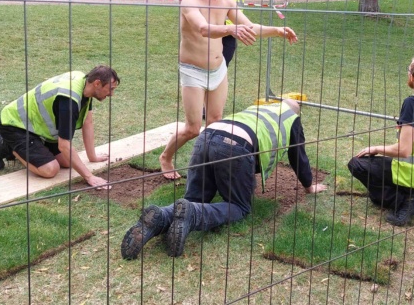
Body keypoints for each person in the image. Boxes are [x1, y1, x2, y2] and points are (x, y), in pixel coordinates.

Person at [121, 99, 328, 259]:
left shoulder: (257, 109)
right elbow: (298, 157)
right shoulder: (291, 118)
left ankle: (161, 216)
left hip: (206, 136)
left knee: (195, 198)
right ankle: (192, 215)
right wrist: (309, 186)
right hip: (235, 146)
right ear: (295, 111)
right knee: (239, 207)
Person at [158, 0, 298, 180]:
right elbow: (203, 28)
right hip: (193, 71)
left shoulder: (226, 0)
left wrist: (278, 31)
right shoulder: (190, 0)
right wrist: (230, 29)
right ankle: (165, 157)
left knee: (215, 123)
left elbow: (249, 26)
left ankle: (208, 168)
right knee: (193, 128)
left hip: (218, 69)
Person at [347, 55, 414, 226]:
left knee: (357, 164)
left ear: (412, 76)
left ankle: (404, 201)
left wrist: (375, 148)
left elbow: (404, 151)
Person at [0, 65, 120, 189]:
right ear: (97, 83)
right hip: (14, 125)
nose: (112, 94)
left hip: (36, 128)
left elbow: (87, 122)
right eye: (111, 89)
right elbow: (64, 145)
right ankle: (4, 144)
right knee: (50, 169)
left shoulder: (85, 84)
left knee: (67, 162)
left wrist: (92, 157)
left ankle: (35, 147)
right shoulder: (69, 101)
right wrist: (89, 177)